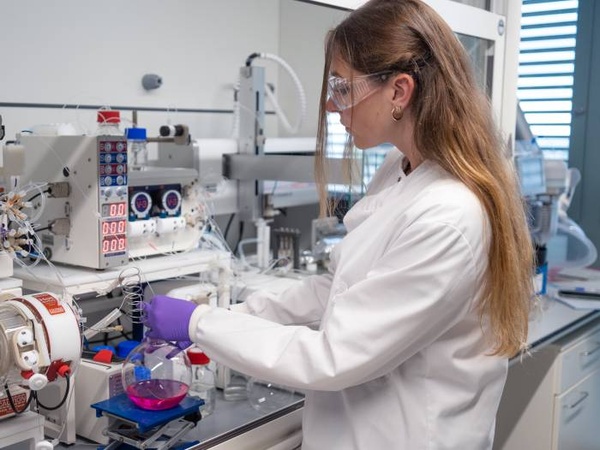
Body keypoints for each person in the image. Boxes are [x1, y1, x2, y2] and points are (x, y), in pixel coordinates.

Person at [144, 0, 535, 448]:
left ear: (399, 91)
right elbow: (338, 287)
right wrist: (231, 317)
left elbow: (332, 357)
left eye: (342, 88)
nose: (331, 105)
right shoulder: (401, 168)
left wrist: (200, 324)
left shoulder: (448, 215)